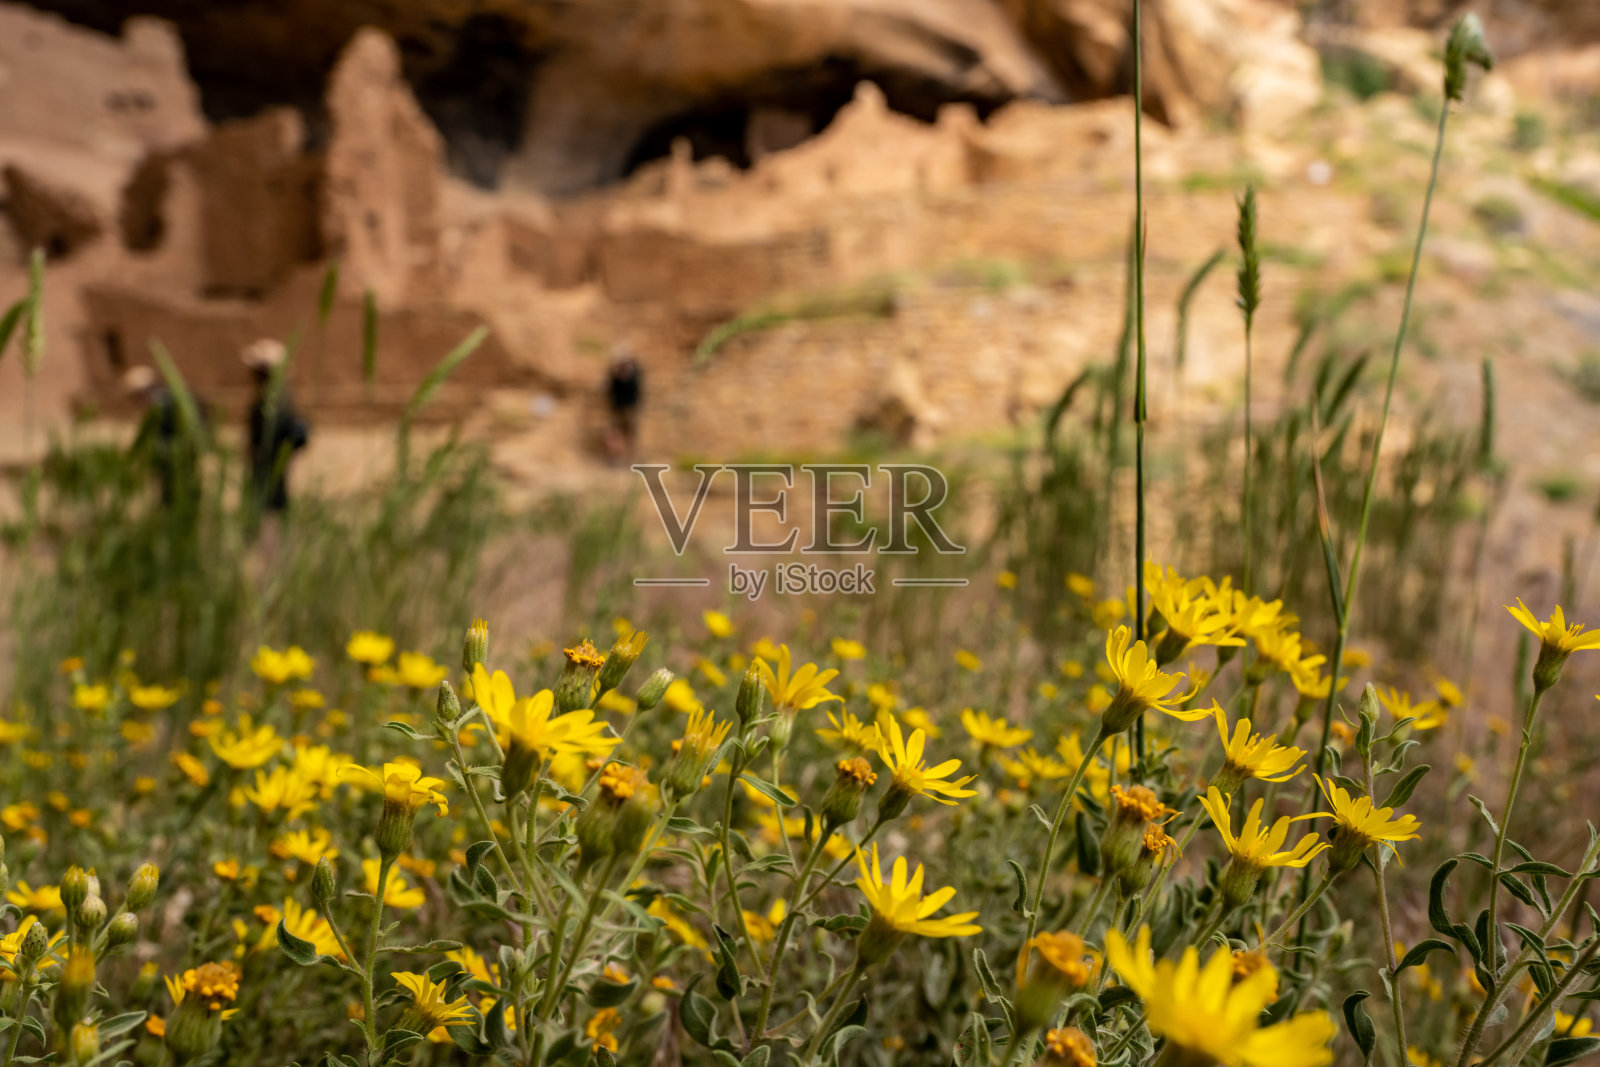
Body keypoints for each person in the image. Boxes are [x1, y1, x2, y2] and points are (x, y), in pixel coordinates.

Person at [243, 338, 309, 519]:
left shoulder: (274, 404)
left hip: (270, 469)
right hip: (268, 468)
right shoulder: (278, 399)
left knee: (271, 511)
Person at [125, 364, 205, 509]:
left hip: (175, 454)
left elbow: (161, 433)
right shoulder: (167, 398)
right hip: (180, 452)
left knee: (175, 488)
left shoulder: (161, 405)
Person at [605, 350, 642, 462]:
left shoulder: (632, 376)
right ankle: (617, 457)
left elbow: (632, 389)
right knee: (616, 434)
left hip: (629, 409)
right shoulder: (616, 376)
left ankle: (631, 457)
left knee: (630, 433)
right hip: (618, 409)